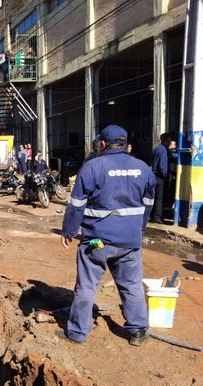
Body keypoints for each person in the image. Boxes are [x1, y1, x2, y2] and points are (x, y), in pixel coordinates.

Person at [60, 124, 157, 346]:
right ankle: (138, 331)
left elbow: (76, 205)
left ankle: (77, 333)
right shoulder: (143, 169)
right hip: (130, 241)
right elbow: (149, 204)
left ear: (103, 144)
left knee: (86, 285)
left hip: (97, 241)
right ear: (125, 144)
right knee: (132, 285)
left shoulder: (92, 167)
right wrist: (139, 229)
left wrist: (69, 231)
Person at [150, 133, 171, 223]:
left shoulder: (156, 148)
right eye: (170, 139)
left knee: (154, 197)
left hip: (154, 176)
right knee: (160, 198)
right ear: (167, 140)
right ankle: (157, 217)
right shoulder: (163, 150)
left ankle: (152, 215)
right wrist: (165, 176)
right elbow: (163, 167)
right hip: (160, 177)